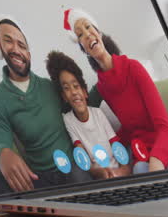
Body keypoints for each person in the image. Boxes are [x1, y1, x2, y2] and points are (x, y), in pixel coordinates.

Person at [62, 8, 168, 174]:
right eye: (80, 35)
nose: (87, 34)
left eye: (88, 27)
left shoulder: (133, 68)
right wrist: (107, 151)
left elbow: (164, 128)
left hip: (162, 147)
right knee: (140, 169)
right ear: (83, 49)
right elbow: (129, 129)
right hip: (140, 152)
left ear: (99, 33)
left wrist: (156, 161)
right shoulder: (102, 88)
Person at [0, 16, 92, 193]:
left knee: (80, 179)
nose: (16, 49)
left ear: (29, 54)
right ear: (0, 48)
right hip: (40, 176)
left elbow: (82, 107)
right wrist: (1, 153)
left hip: (72, 166)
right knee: (1, 185)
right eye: (8, 41)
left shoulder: (49, 86)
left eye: (22, 45)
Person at [46, 51, 130, 180]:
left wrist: (122, 170)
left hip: (116, 167)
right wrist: (99, 172)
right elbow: (82, 156)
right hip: (98, 174)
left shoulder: (98, 113)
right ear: (64, 97)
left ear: (85, 93)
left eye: (76, 86)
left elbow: (115, 144)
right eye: (67, 88)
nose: (73, 92)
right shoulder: (68, 120)